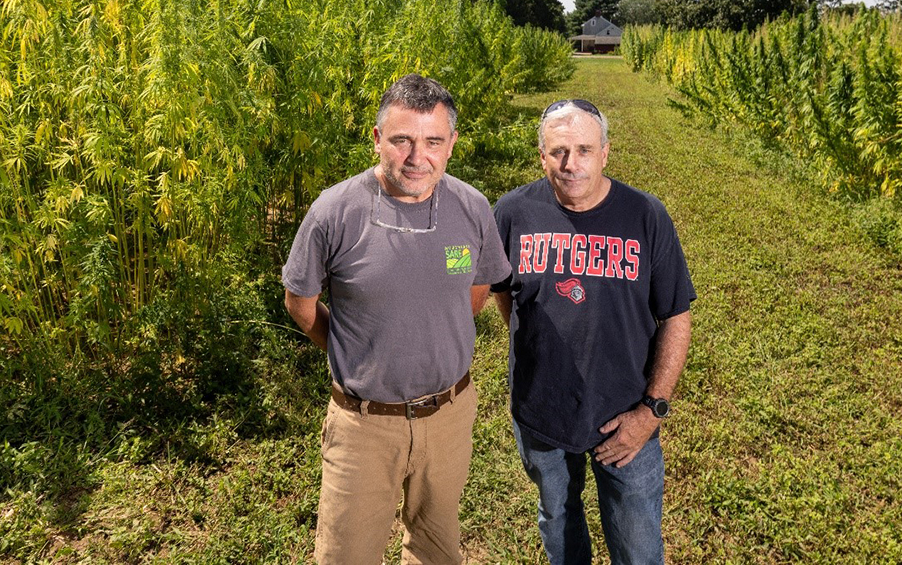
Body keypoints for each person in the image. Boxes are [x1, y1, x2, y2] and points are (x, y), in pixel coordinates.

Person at [282, 73, 511, 565]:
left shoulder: (471, 207)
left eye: (432, 141)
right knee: (347, 554)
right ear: (377, 138)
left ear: (451, 145)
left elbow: (476, 291)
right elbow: (299, 304)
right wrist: (353, 348)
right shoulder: (335, 211)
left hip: (449, 415)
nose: (416, 157)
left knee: (436, 547)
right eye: (402, 140)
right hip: (364, 426)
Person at [491, 98, 695, 564]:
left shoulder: (645, 215)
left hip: (626, 416)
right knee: (559, 523)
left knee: (638, 543)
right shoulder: (511, 213)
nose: (571, 164)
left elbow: (677, 317)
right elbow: (502, 291)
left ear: (606, 152)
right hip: (543, 410)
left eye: (584, 149)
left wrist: (651, 411)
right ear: (541, 155)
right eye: (558, 151)